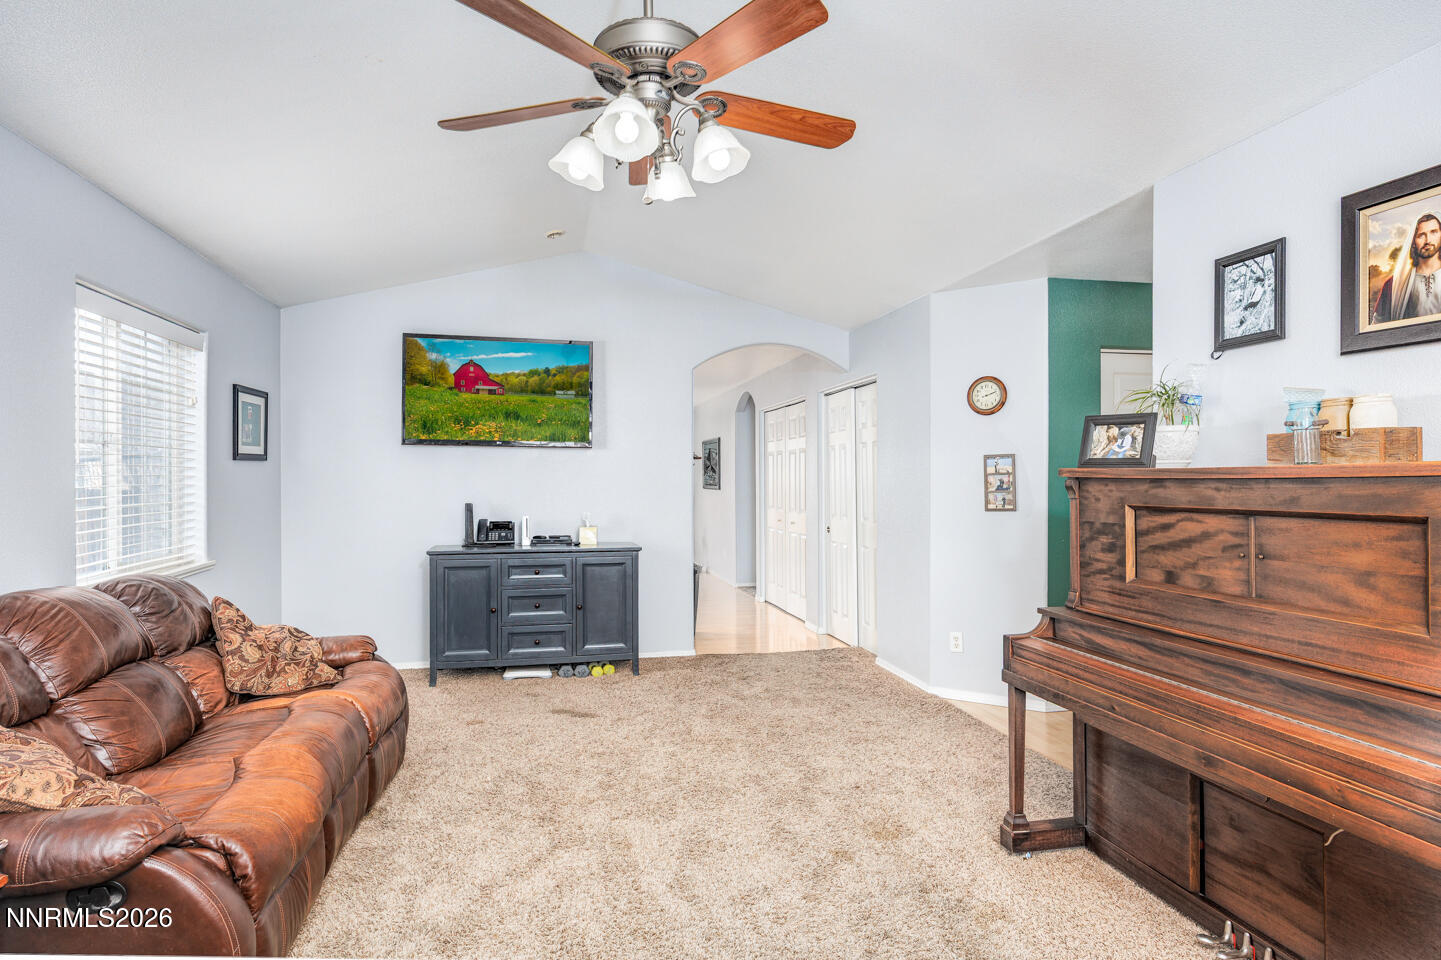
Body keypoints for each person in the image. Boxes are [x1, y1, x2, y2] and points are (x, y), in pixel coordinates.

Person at [1372, 213, 1441, 323]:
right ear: (1413, 241)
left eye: (1434, 232)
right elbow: (1378, 326)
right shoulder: (1392, 285)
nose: (1428, 240)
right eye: (1421, 235)